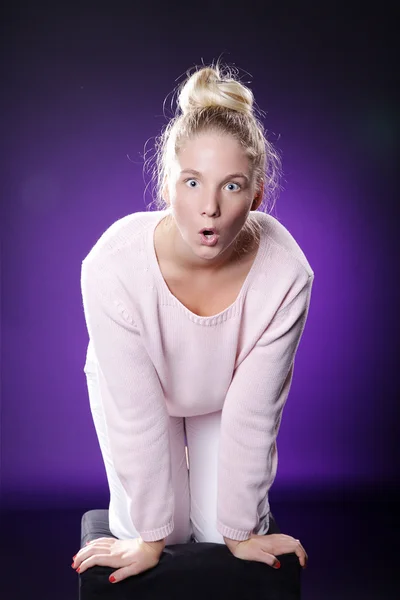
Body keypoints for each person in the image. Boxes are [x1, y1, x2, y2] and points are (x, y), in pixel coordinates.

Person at [72, 60, 313, 585]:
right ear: (167, 186)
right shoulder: (111, 265)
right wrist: (149, 538)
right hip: (142, 395)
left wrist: (241, 532)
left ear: (256, 194)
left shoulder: (286, 273)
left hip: (223, 397)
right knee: (166, 531)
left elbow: (254, 411)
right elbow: (136, 413)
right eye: (192, 182)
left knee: (219, 533)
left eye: (231, 187)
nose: (209, 208)